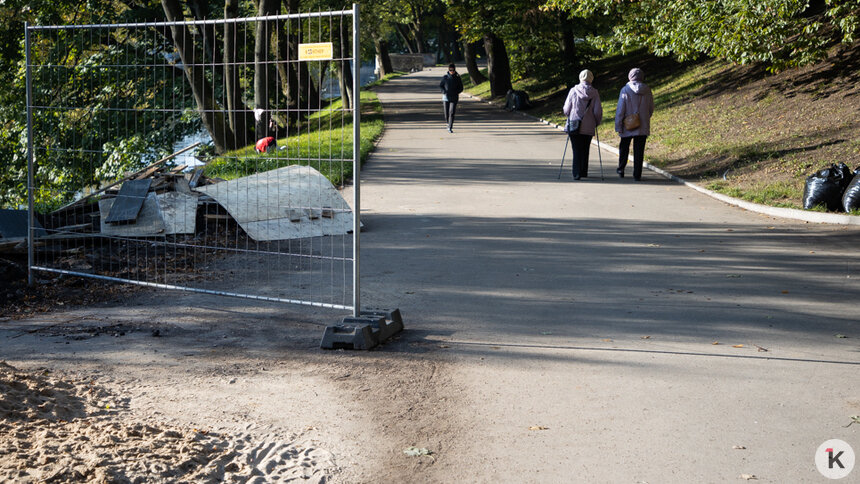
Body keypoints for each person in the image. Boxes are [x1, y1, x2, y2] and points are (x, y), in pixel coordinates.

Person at [614, 67, 654, 180]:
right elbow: (651, 108)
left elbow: (620, 109)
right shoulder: (647, 90)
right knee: (639, 150)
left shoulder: (625, 90)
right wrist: (645, 118)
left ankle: (621, 169)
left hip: (628, 124)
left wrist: (618, 125)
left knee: (624, 147)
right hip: (642, 125)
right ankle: (637, 174)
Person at [562, 69, 603, 180]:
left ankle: (576, 173)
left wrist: (570, 114)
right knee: (585, 148)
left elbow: (566, 109)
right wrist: (596, 122)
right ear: (591, 79)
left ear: (580, 77)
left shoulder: (573, 91)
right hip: (588, 125)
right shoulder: (594, 93)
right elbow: (598, 111)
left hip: (574, 124)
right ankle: (583, 171)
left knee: (576, 149)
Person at [439, 63, 463, 133]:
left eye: (453, 70)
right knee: (446, 113)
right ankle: (447, 123)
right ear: (448, 70)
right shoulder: (445, 77)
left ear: (455, 70)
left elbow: (461, 88)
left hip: (454, 97)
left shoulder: (458, 78)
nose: (451, 71)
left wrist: (456, 92)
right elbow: (441, 86)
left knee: (451, 112)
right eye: (450, 70)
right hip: (446, 97)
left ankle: (450, 126)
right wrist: (444, 91)